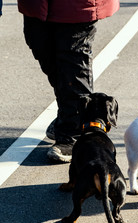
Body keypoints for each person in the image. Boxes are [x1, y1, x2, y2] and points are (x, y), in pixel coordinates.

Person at [17, 0, 120, 162]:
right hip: (36, 4)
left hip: (77, 5)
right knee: (39, 43)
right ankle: (68, 113)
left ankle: (74, 131)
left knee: (73, 60)